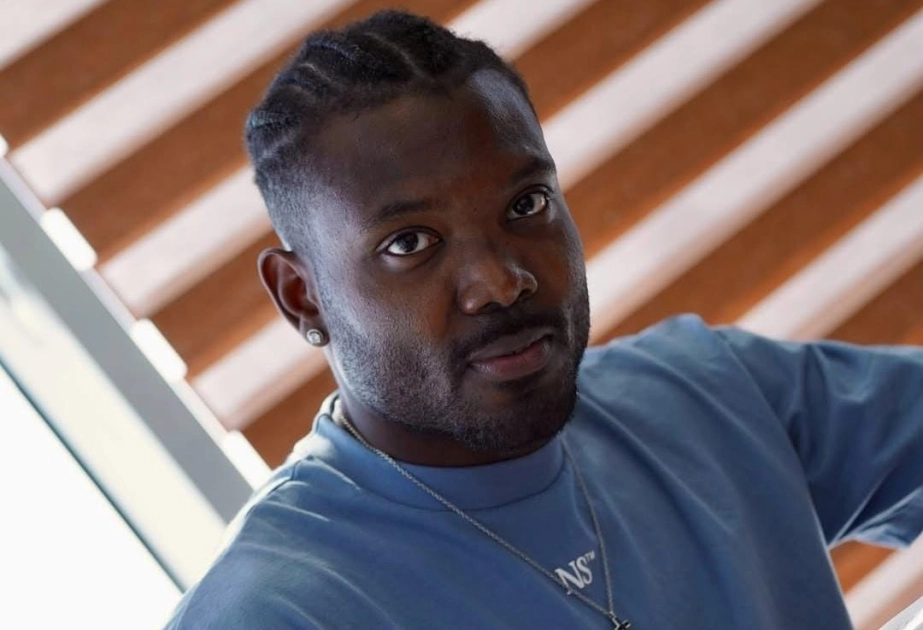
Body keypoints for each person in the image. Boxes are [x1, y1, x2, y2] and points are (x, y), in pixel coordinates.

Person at [165, 10, 923, 629]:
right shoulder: (278, 614)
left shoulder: (713, 396)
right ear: (302, 297)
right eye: (410, 244)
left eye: (526, 204)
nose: (500, 282)